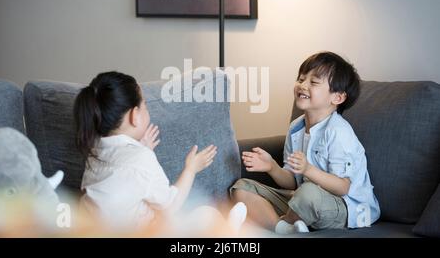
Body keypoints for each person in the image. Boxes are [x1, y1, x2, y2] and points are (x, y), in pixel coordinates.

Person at [73, 71, 246, 233]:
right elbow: (170, 206)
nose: (147, 108)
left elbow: (125, 182)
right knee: (207, 214)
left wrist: (142, 149)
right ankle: (230, 234)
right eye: (145, 105)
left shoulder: (94, 154)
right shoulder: (140, 159)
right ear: (135, 115)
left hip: (96, 232)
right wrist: (191, 169)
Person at [230, 52, 380, 234]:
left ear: (337, 98)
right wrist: (272, 167)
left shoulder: (338, 132)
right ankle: (285, 229)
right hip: (302, 199)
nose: (303, 85)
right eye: (301, 79)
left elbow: (343, 187)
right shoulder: (296, 128)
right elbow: (292, 182)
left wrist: (308, 169)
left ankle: (280, 224)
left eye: (314, 82)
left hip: (346, 208)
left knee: (307, 193)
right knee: (242, 188)